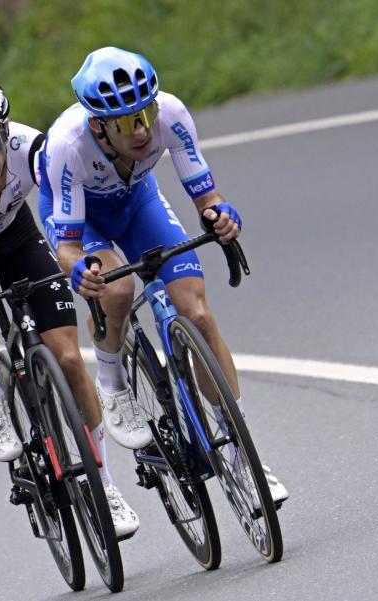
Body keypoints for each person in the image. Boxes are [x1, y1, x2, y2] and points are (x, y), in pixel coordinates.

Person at [37, 47, 288, 507]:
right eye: (126, 122)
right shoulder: (67, 146)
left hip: (138, 204)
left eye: (145, 114)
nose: (141, 130)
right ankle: (111, 378)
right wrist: (78, 271)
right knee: (117, 287)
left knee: (197, 313)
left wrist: (222, 218)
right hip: (83, 222)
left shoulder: (170, 114)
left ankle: (243, 458)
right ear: (98, 125)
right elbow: (68, 247)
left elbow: (207, 197)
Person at [0, 74, 141, 536]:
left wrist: (81, 259)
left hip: (18, 237)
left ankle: (106, 483)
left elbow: (66, 207)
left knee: (71, 360)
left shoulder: (32, 147)